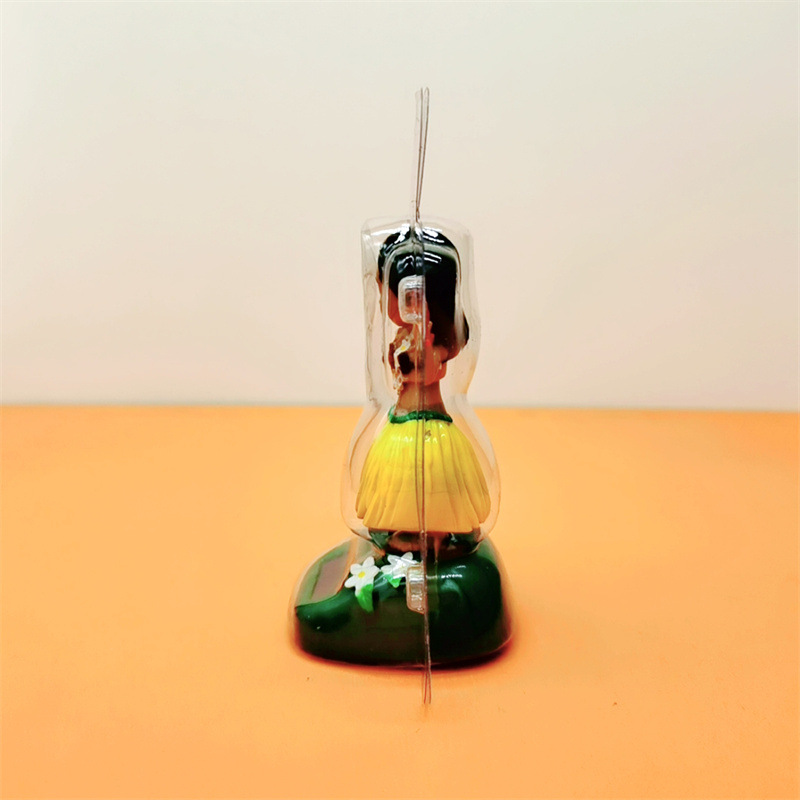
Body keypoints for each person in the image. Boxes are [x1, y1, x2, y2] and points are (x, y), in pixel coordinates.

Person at [355, 227, 490, 548]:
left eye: (385, 293)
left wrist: (421, 346)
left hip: (428, 424)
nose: (381, 300)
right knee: (400, 479)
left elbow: (426, 369)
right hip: (401, 418)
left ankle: (437, 531)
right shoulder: (405, 336)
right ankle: (404, 529)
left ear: (412, 296)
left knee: (430, 474)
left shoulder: (432, 345)